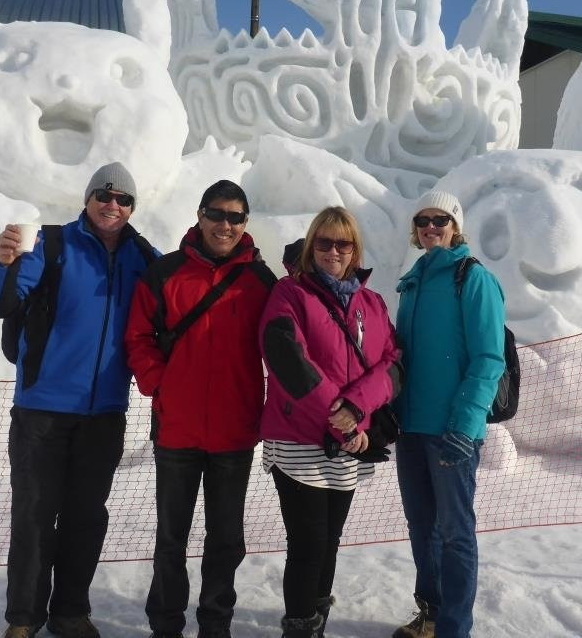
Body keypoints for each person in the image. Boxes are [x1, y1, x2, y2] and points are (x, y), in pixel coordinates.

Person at [0, 162, 157, 638]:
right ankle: (24, 618)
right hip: (42, 410)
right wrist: (2, 261)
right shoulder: (52, 245)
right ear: (88, 198)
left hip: (104, 414)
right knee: (34, 516)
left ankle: (70, 612)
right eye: (103, 194)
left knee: (86, 518)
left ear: (132, 207)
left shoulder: (145, 258)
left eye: (123, 199)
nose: (112, 204)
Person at [125, 179, 277, 638]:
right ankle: (166, 624)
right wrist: (161, 385)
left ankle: (216, 624)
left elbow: (287, 344)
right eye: (216, 214)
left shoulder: (261, 282)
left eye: (235, 217)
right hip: (177, 429)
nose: (224, 225)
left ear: (245, 223)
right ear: (200, 215)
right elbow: (138, 337)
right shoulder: (165, 273)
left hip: (234, 431)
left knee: (226, 539)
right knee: (171, 538)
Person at [260, 207, 403, 638]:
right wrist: (342, 420)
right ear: (310, 246)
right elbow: (288, 359)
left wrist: (357, 409)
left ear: (355, 250)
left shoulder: (372, 303)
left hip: (349, 441)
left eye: (343, 243)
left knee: (329, 542)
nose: (333, 251)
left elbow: (393, 363)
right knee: (308, 544)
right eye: (323, 242)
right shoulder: (289, 293)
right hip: (301, 440)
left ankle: (316, 621)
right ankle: (300, 627)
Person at [390, 190, 506, 638]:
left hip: (452, 430)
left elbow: (488, 358)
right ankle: (432, 615)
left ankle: (454, 629)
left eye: (440, 220)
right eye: (423, 220)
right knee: (422, 528)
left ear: (456, 226)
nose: (431, 227)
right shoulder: (412, 282)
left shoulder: (471, 278)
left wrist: (465, 423)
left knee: (456, 532)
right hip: (411, 427)